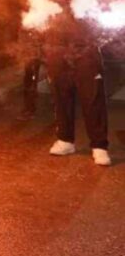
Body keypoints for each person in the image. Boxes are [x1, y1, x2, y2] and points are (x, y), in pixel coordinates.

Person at [43, 12, 111, 166]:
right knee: (61, 97)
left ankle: (99, 145)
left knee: (92, 98)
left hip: (85, 48)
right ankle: (65, 140)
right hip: (56, 47)